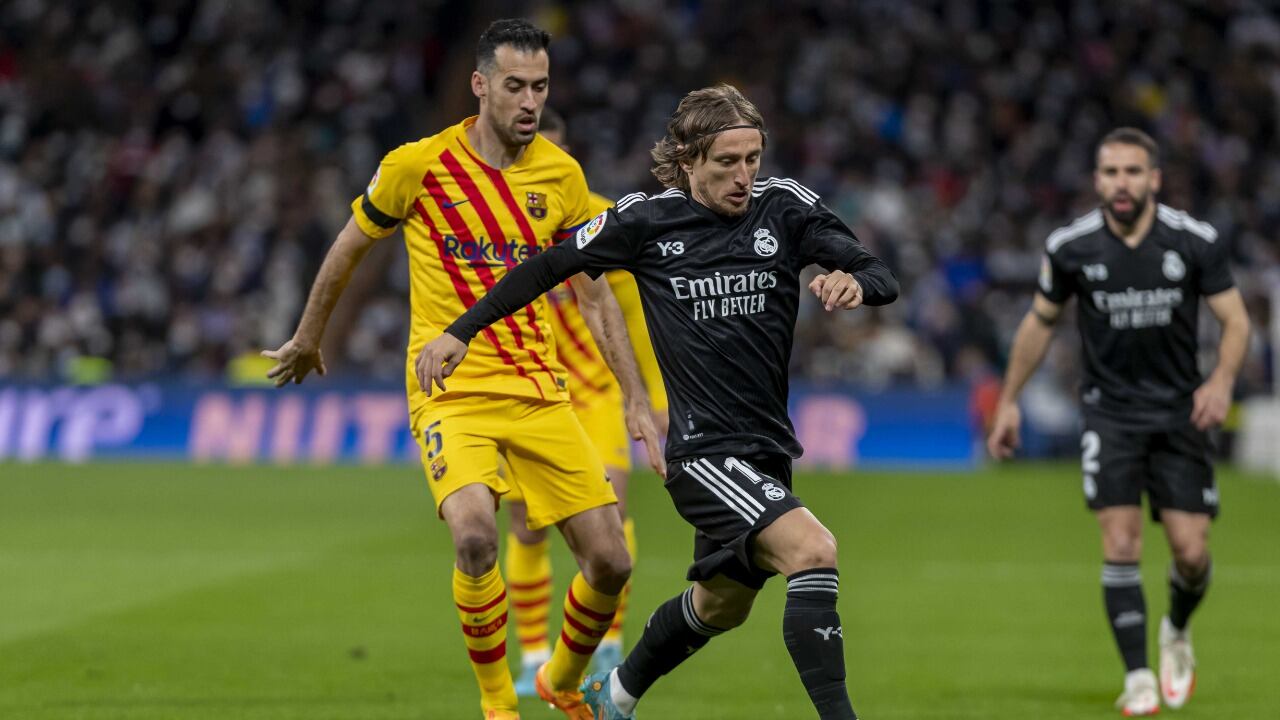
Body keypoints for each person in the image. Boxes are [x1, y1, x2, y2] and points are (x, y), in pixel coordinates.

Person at [417, 84, 899, 720]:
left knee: (720, 606)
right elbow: (546, 267)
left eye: (753, 158)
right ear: (688, 157)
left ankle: (613, 696)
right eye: (727, 162)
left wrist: (852, 282)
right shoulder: (644, 220)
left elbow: (880, 275)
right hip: (702, 452)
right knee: (814, 551)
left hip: (767, 449)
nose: (744, 176)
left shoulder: (785, 208)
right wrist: (461, 330)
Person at [261, 19, 663, 720]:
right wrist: (306, 335)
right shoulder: (418, 165)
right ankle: (498, 702)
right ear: (480, 86)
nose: (529, 101)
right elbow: (349, 244)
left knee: (612, 562)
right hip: (452, 395)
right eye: (515, 86)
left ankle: (561, 678)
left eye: (540, 86)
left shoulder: (563, 177)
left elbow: (595, 296)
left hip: (541, 393)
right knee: (477, 536)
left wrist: (634, 396)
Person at [987, 128, 1250, 716]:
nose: (1120, 183)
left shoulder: (1193, 240)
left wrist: (1222, 381)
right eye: (1110, 172)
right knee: (1121, 540)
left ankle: (1176, 630)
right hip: (1110, 414)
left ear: (1154, 179)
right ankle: (1137, 677)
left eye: (1133, 172)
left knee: (1191, 552)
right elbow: (1039, 322)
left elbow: (1235, 321)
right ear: (1097, 180)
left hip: (1180, 412)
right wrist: (1009, 399)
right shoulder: (1072, 246)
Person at [503, 108, 668, 697]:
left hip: (595, 392)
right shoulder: (495, 220)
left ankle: (610, 640)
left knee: (613, 507)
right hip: (527, 390)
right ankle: (529, 657)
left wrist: (650, 393)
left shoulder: (599, 218)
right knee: (524, 522)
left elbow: (632, 311)